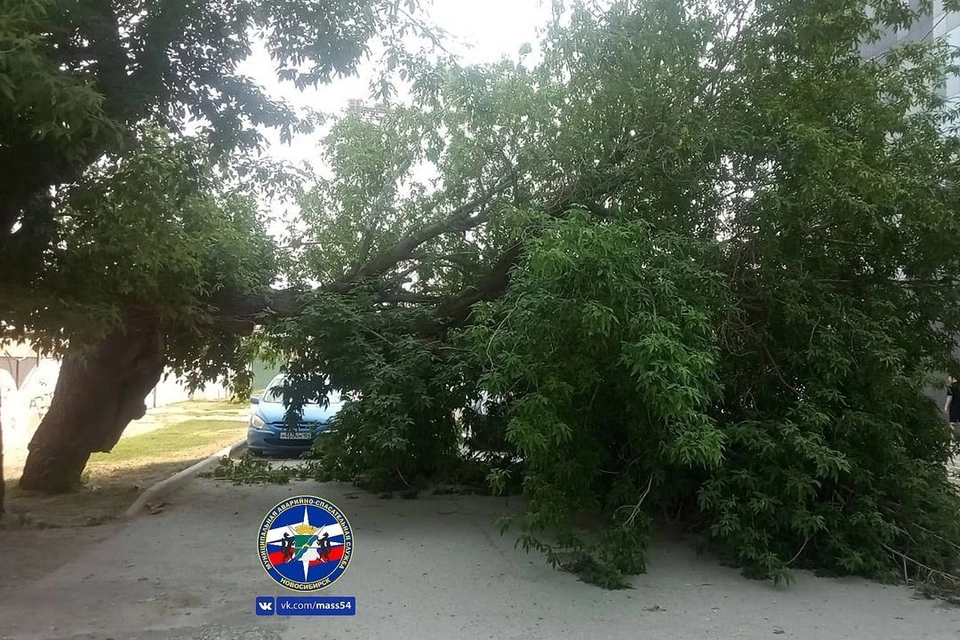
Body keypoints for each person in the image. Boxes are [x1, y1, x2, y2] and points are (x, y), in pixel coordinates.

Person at [945, 375, 960, 442]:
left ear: (953, 378)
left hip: (954, 406)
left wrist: (946, 406)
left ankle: (953, 439)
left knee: (953, 423)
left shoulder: (951, 387)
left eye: (949, 378)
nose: (948, 379)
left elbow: (949, 397)